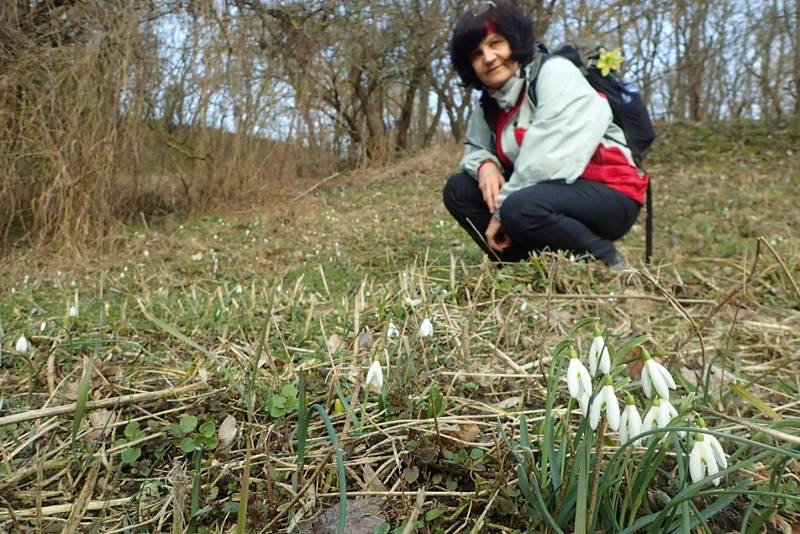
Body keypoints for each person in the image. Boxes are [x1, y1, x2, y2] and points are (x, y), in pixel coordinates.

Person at [442, 0, 649, 268]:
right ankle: (522, 264)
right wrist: (484, 165)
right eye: (477, 53)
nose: (489, 57)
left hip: (610, 192)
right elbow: (473, 148)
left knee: (519, 208)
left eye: (495, 43)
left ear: (513, 43)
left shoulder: (554, 72)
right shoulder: (488, 105)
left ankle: (607, 261)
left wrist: (502, 211)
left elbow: (546, 158)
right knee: (459, 190)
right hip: (544, 196)